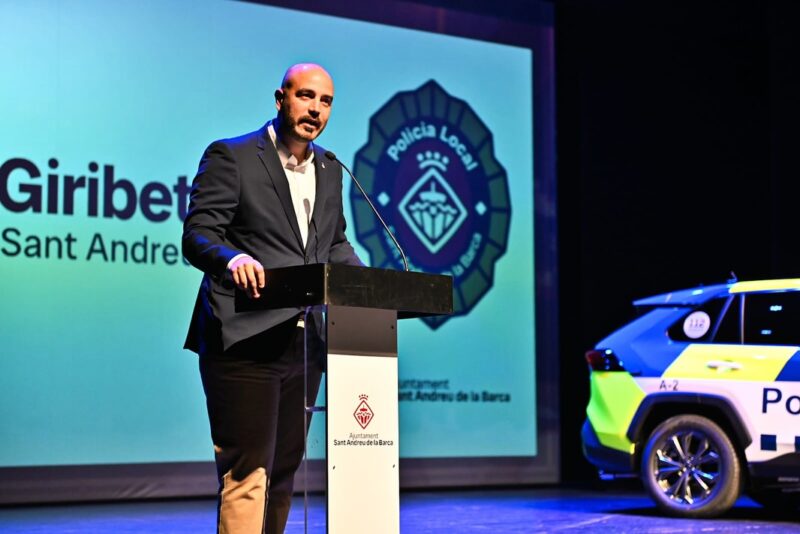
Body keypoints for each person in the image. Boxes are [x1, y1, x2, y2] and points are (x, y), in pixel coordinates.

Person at [182, 63, 362, 533]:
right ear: (281, 97)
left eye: (325, 102)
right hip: (244, 338)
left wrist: (368, 285)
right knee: (248, 475)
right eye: (306, 97)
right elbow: (199, 234)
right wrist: (231, 260)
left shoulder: (330, 168)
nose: (315, 110)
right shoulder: (233, 156)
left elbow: (334, 243)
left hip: (304, 346)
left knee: (282, 475)